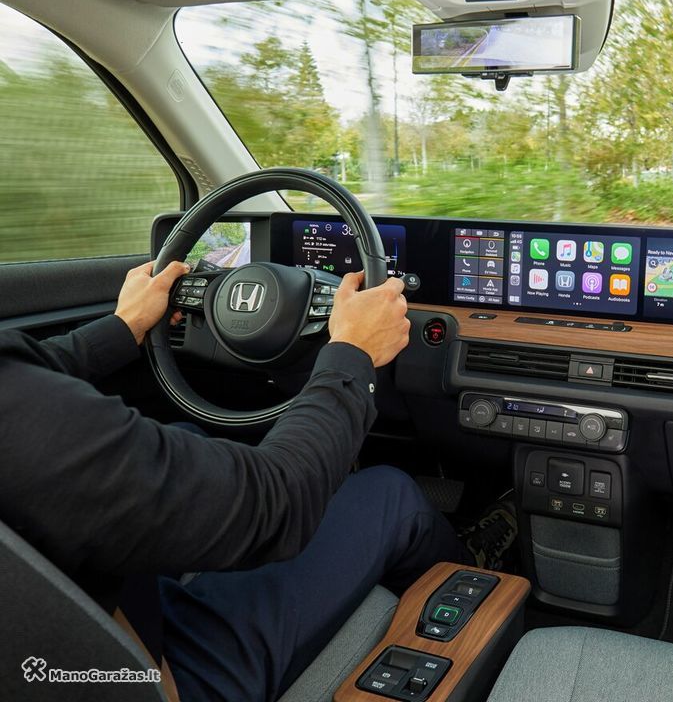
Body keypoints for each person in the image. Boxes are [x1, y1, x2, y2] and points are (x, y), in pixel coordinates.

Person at [0, 260, 481, 701]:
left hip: (63, 629)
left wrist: (122, 327)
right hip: (147, 678)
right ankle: (481, 574)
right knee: (391, 493)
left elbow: (24, 375)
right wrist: (353, 353)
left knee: (187, 432)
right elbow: (277, 504)